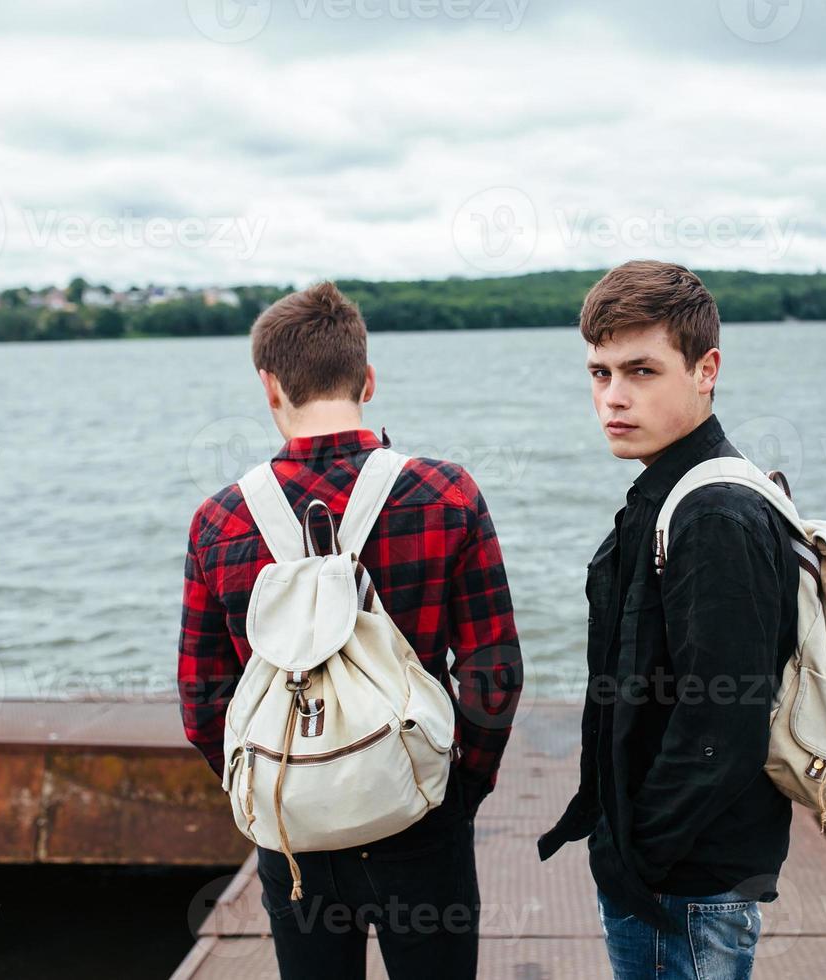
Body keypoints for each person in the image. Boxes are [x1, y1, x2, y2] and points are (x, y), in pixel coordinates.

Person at [178, 281, 523, 979]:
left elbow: (202, 700)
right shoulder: (445, 491)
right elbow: (494, 671)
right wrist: (459, 791)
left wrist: (264, 788)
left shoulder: (220, 520)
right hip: (417, 816)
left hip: (293, 829)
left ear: (270, 387)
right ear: (368, 379)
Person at [537, 260, 799, 980]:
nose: (613, 398)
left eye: (642, 372)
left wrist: (635, 859)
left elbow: (724, 723)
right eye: (599, 373)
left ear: (706, 369)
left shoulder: (714, 513)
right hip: (678, 877)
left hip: (685, 886)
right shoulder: (673, 488)